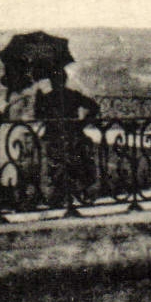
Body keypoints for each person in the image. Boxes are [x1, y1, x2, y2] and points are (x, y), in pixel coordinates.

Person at [35, 69, 101, 203]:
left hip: (57, 137)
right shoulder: (71, 95)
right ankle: (74, 193)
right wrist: (82, 124)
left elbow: (38, 116)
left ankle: (59, 195)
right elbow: (94, 106)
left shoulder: (48, 97)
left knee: (58, 166)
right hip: (71, 135)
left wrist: (39, 99)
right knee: (72, 164)